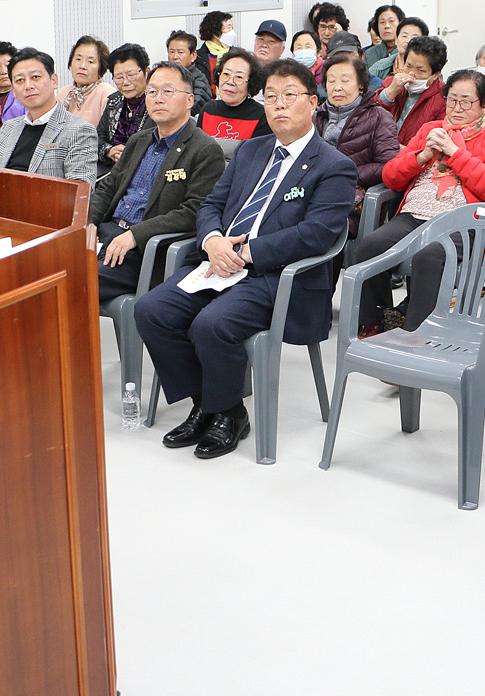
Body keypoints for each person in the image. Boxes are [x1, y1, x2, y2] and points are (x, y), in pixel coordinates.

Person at [134, 59, 357, 459]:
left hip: (277, 276)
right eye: (270, 97)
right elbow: (211, 205)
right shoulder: (251, 150)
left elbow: (318, 234)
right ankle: (210, 403)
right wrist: (214, 241)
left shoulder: (334, 166)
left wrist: (248, 252)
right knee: (152, 309)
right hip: (219, 262)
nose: (279, 106)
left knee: (212, 325)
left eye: (289, 96)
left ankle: (227, 414)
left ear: (312, 102)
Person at [354, 69, 485, 336]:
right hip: (415, 214)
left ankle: (416, 335)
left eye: (466, 101)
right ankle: (376, 321)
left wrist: (455, 154)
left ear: (484, 104)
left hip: (464, 222)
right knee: (371, 246)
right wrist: (421, 156)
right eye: (452, 100)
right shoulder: (430, 129)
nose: (457, 108)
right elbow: (391, 177)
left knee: (429, 256)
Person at [90, 62, 226, 303]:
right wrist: (89, 223)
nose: (158, 98)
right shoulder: (138, 141)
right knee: (42, 268)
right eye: (152, 92)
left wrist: (136, 234)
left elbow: (193, 212)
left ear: (189, 100)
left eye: (168, 91)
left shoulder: (205, 150)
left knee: (73, 281)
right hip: (106, 234)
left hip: (144, 250)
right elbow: (108, 187)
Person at [0, 47, 97, 184]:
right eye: (19, 80)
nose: (28, 86)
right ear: (13, 90)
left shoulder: (79, 131)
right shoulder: (9, 127)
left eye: (35, 77)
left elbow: (80, 192)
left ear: (54, 81)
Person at [317, 51, 401, 231]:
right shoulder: (315, 116)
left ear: (361, 85)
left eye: (345, 80)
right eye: (331, 81)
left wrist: (345, 173)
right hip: (312, 195)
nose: (337, 87)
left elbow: (389, 165)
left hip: (350, 203)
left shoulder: (379, 117)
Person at [197, 47, 271, 156]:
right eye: (226, 74)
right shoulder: (208, 109)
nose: (230, 82)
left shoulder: (261, 116)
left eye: (239, 77)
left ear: (250, 84)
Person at [378, 35, 449, 146]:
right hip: (380, 149)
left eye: (420, 70)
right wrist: (391, 91)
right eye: (408, 66)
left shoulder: (443, 99)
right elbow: (370, 116)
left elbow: (433, 143)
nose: (411, 73)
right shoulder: (393, 82)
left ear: (435, 74)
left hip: (411, 157)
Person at [97, 43, 151, 174]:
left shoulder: (157, 103)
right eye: (119, 77)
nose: (125, 82)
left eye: (131, 75)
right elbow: (98, 137)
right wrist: (109, 151)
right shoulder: (113, 102)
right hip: (112, 172)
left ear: (146, 72)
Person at [63, 35, 116, 127]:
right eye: (78, 59)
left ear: (101, 68)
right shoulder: (63, 93)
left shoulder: (107, 94)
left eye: (90, 61)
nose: (82, 66)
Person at [369, 16, 428, 81]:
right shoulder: (379, 67)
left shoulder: (431, 69)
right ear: (396, 40)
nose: (408, 41)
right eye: (404, 36)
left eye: (414, 38)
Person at [167, 29, 212, 112]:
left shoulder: (199, 81)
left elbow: (192, 108)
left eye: (180, 52)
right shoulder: (165, 76)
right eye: (172, 52)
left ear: (193, 55)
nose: (175, 57)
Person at [194, 10, 235, 94]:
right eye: (228, 27)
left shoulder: (237, 55)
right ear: (215, 32)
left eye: (232, 27)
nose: (232, 32)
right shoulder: (197, 58)